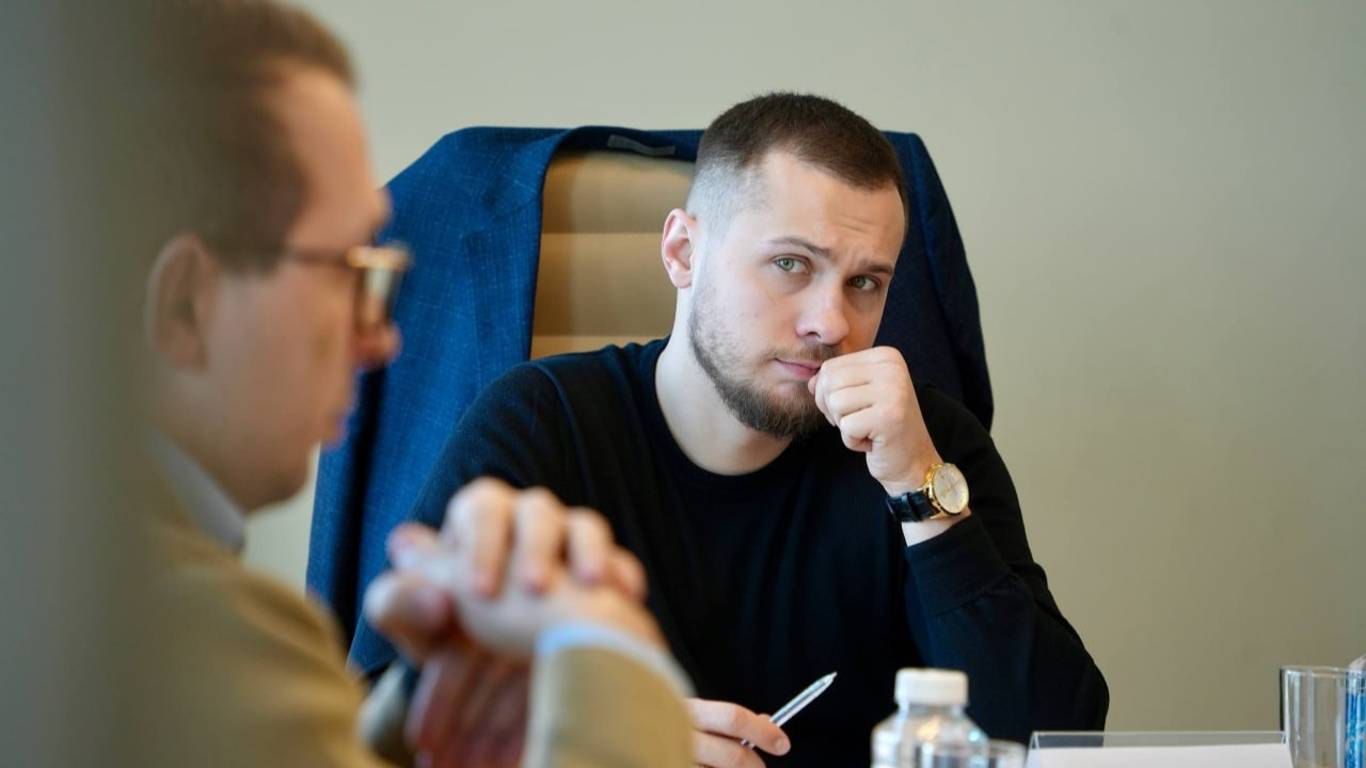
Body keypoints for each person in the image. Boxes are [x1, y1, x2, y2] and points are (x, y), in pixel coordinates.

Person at [414, 92, 1110, 766]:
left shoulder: (921, 446)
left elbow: (1054, 734)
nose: (830, 324)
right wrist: (591, 744)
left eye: (865, 283)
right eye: (790, 265)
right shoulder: (541, 422)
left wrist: (920, 493)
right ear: (683, 252)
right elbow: (389, 714)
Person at [139, 1, 693, 765]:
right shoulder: (171, 632)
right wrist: (614, 660)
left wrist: (406, 718)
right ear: (186, 304)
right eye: (347, 269)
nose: (382, 337)